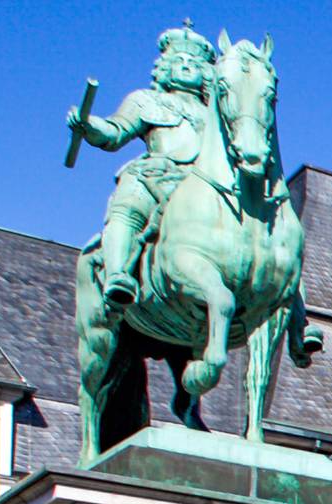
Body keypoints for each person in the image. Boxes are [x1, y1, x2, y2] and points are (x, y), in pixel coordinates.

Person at [68, 26, 216, 310]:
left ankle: (291, 312)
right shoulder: (145, 100)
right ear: (165, 68)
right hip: (158, 174)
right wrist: (89, 125)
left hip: (206, 183)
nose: (186, 66)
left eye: (194, 63)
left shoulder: (217, 114)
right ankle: (117, 274)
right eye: (179, 61)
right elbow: (115, 132)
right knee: (129, 204)